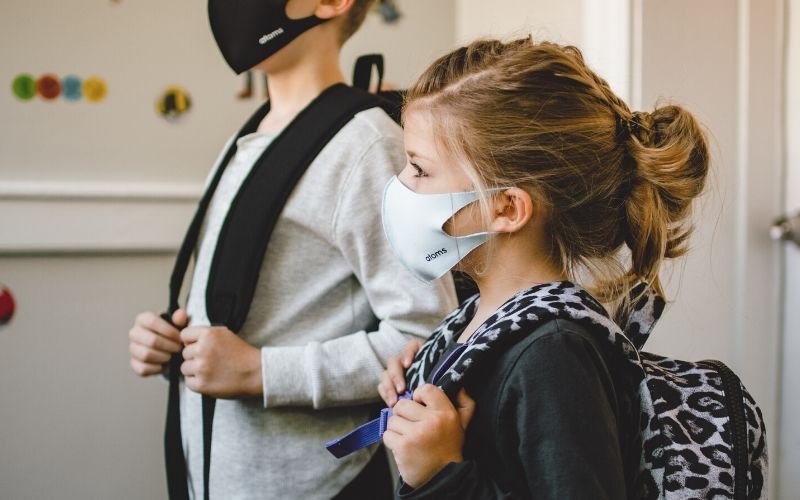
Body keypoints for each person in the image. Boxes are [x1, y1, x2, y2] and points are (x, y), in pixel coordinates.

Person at [127, 0, 457, 498]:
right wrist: (174, 342)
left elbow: (428, 334)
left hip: (315, 485)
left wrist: (260, 372)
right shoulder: (249, 138)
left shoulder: (367, 146)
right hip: (217, 477)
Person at [376, 37, 709, 498]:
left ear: (508, 209)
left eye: (420, 170)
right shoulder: (485, 318)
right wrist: (426, 374)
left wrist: (443, 474)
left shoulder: (554, 355)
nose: (400, 186)